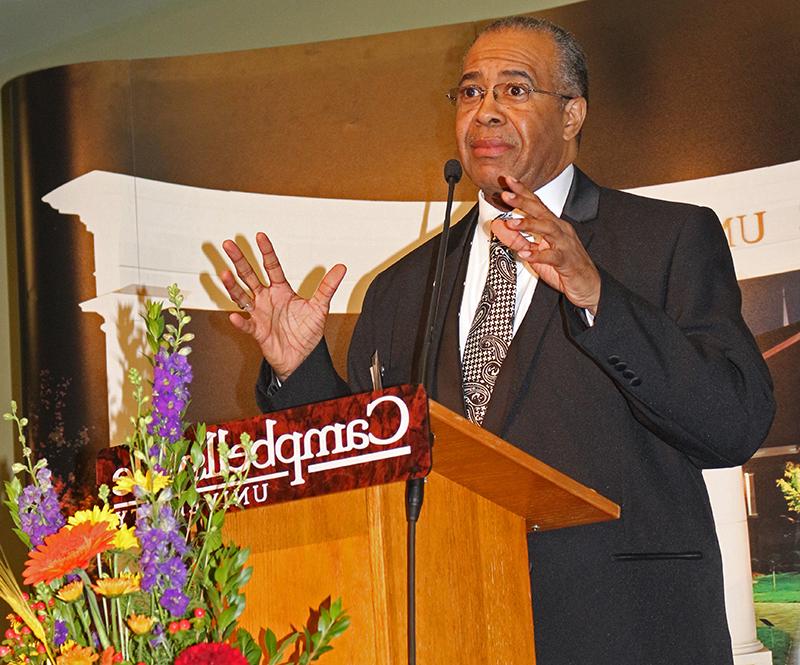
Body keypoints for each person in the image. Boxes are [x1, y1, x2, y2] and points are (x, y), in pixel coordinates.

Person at [219, 16, 775, 665]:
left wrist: (598, 294)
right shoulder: (401, 287)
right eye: (470, 92)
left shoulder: (666, 239)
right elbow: (367, 469)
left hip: (622, 631)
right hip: (450, 627)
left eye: (514, 90)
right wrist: (299, 371)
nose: (485, 110)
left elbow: (733, 421)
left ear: (572, 115)